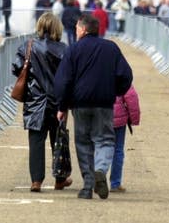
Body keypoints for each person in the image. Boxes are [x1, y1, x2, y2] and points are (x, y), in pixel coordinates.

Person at [54, 14, 133, 200]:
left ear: (83, 29)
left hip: (80, 104)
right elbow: (126, 75)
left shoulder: (73, 50)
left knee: (83, 143)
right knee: (105, 140)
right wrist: (115, 91)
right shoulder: (111, 48)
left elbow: (63, 81)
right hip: (104, 103)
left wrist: (62, 106)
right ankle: (101, 169)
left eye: (76, 29)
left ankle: (88, 186)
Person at [12, 12, 72, 193]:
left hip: (35, 100)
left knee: (36, 141)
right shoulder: (64, 49)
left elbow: (16, 68)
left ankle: (36, 181)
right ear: (57, 28)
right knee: (59, 139)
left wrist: (31, 81)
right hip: (57, 100)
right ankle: (60, 179)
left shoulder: (28, 46)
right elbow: (69, 76)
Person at [110, 85, 140, 193]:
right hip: (119, 118)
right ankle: (115, 183)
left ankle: (97, 180)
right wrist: (134, 119)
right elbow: (131, 97)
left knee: (99, 147)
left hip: (101, 116)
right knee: (118, 150)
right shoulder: (121, 71)